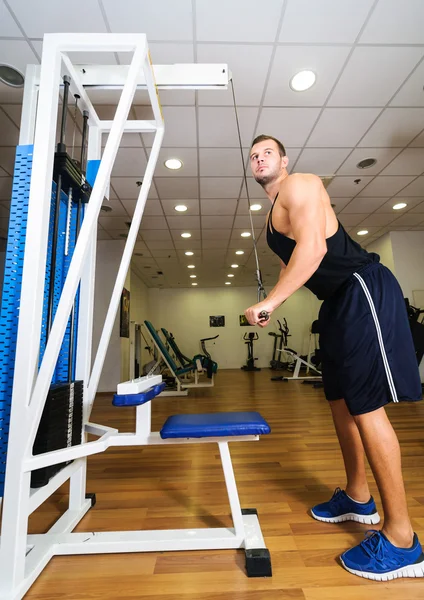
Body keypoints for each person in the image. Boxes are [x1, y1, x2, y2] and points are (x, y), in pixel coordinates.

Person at [244, 134, 424, 581]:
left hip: (362, 288)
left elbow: (316, 248)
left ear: (283, 161)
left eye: (266, 152)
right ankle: (358, 497)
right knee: (340, 403)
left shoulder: (299, 185)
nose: (258, 158)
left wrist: (270, 303)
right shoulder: (271, 217)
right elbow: (295, 264)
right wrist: (276, 300)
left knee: (365, 407)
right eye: (252, 155)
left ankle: (403, 540)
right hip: (338, 303)